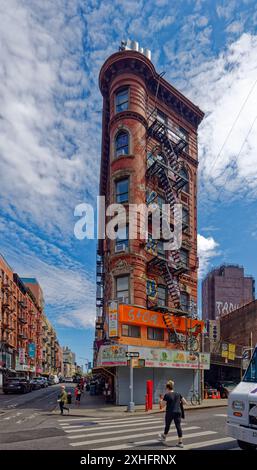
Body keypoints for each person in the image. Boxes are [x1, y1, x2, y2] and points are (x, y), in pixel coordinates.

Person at [158, 380, 188, 448]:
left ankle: (164, 436)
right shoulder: (178, 394)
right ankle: (180, 442)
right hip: (178, 412)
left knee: (167, 425)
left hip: (170, 412)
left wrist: (160, 400)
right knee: (178, 426)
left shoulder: (167, 395)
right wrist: (179, 402)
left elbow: (162, 405)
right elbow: (185, 402)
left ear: (167, 388)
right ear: (172, 387)